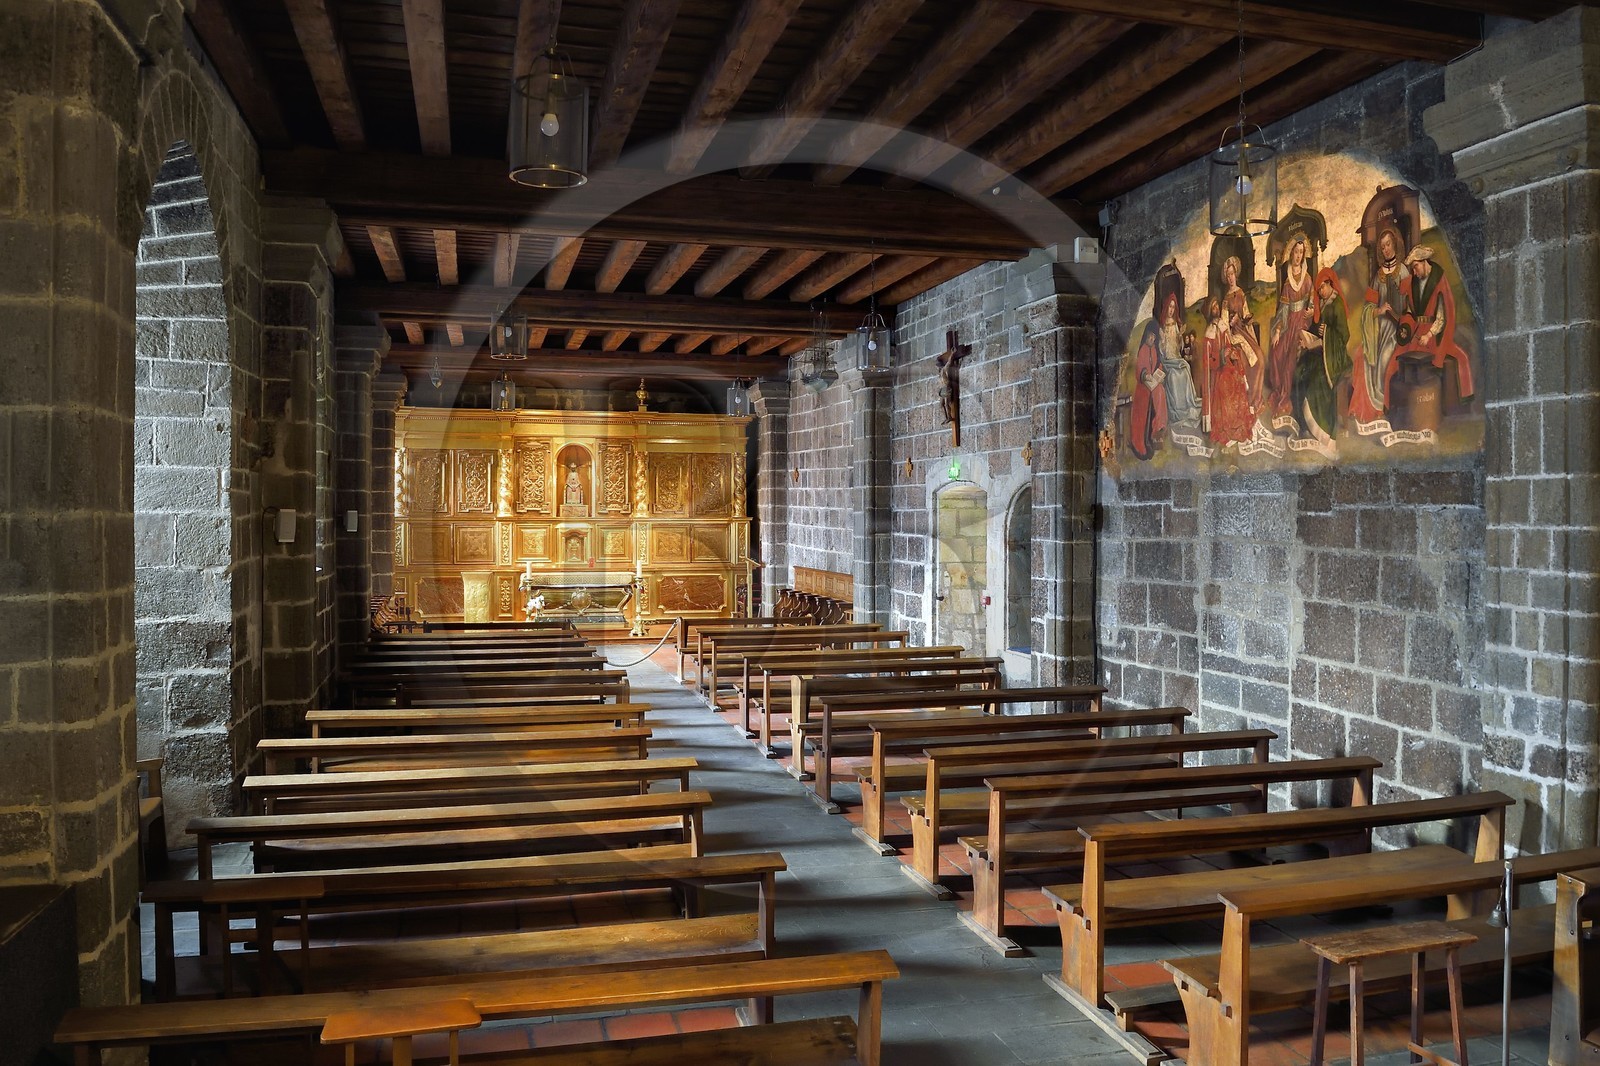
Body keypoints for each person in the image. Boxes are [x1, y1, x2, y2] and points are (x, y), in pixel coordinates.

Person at [1388, 245, 1474, 405]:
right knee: (1394, 359)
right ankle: (1390, 405)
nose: (1414, 272)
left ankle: (1465, 399)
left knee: (1462, 358)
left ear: (1424, 261)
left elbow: (1442, 317)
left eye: (1415, 267)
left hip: (1435, 336)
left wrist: (1428, 335)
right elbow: (1409, 311)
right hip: (1416, 333)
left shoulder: (1439, 280)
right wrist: (1407, 327)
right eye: (1413, 268)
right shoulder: (1414, 281)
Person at [1292, 269, 1354, 442]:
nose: (1320, 292)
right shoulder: (1323, 303)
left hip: (1334, 356)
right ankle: (1302, 422)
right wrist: (1306, 338)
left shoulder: (1337, 303)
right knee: (1299, 371)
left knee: (1316, 380)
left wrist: (1326, 332)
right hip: (1321, 350)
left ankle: (1322, 430)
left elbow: (1343, 334)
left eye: (1322, 288)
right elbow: (1317, 328)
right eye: (1318, 290)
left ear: (1330, 284)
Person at [1355, 227, 1404, 423]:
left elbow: (1410, 302)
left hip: (1396, 331)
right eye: (1382, 247)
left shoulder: (1404, 271)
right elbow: (1368, 308)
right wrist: (1380, 310)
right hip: (1378, 329)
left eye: (1388, 245)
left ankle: (1382, 405)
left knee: (1384, 362)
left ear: (1395, 245)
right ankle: (1373, 408)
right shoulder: (1378, 276)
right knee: (1364, 357)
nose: (1385, 249)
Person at [1267, 232, 1314, 419]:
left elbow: (1311, 302)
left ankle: (1287, 398)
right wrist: (1278, 330)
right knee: (1277, 351)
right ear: (1291, 254)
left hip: (1302, 323)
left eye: (1301, 253)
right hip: (1289, 323)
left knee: (1290, 362)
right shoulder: (1287, 282)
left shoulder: (1308, 278)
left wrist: (1310, 311)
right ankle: (1280, 390)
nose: (1298, 256)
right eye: (1296, 252)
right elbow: (1283, 310)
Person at [1204, 296, 1254, 446]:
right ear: (1209, 311)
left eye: (1217, 307)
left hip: (1227, 366)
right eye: (1213, 308)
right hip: (1217, 372)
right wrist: (1220, 356)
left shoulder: (1223, 327)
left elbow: (1228, 345)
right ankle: (1229, 422)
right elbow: (1208, 362)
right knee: (1226, 386)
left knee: (1237, 378)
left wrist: (1231, 353)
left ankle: (1236, 420)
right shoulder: (1208, 333)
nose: (1217, 309)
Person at [1220, 255, 1264, 409]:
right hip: (1234, 334)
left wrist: (1247, 318)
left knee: (1259, 357)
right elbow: (1223, 321)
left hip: (1244, 330)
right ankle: (1248, 399)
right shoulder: (1225, 299)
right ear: (1226, 277)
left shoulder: (1241, 293)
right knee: (1245, 361)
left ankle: (1256, 398)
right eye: (1228, 275)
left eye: (1232, 274)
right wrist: (1230, 328)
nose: (1231, 277)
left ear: (1236, 274)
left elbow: (1245, 312)